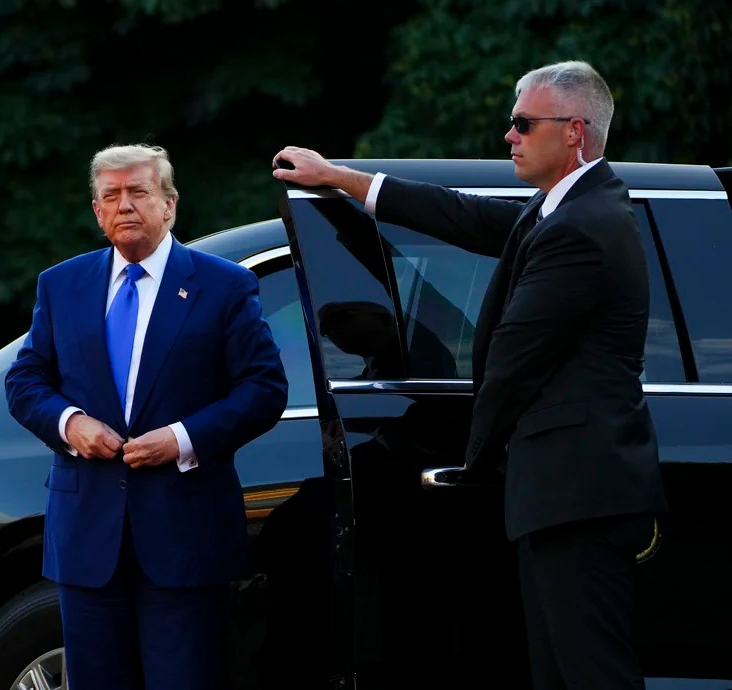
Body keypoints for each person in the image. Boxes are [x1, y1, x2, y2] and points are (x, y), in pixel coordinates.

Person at [273, 60, 667, 690]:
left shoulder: (583, 228)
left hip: (577, 496)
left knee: (590, 674)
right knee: (559, 673)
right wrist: (340, 179)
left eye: (522, 123)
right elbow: (462, 216)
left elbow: (513, 357)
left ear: (573, 132)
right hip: (564, 493)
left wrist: (468, 462)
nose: (508, 135)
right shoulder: (562, 212)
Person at [5, 143, 288, 690]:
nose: (125, 205)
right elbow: (25, 382)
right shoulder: (61, 284)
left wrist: (182, 440)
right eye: (110, 195)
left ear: (169, 205)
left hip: (185, 537)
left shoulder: (224, 285)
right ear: (96, 210)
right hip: (87, 537)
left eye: (139, 192)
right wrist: (70, 424)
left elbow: (264, 388)